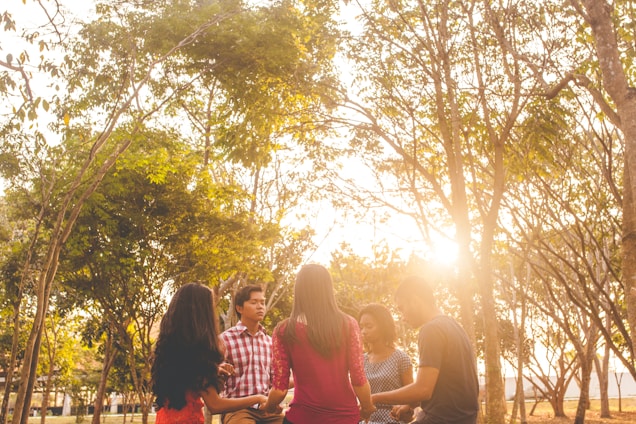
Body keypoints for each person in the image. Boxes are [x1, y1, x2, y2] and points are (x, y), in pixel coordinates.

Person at [262, 264, 376, 423]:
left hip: (301, 418)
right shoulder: (348, 324)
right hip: (344, 417)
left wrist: (269, 406)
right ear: (328, 289)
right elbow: (358, 377)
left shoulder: (284, 330)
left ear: (299, 291)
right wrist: (367, 406)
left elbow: (280, 389)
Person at [151, 283, 267, 424]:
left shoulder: (171, 347)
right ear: (202, 313)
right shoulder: (199, 351)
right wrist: (258, 398)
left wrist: (214, 370)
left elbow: (187, 376)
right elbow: (215, 405)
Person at [371, 276, 479, 424]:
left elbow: (423, 389)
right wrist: (410, 404)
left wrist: (374, 398)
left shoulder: (431, 330)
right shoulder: (453, 326)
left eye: (402, 309)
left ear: (415, 301)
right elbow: (444, 386)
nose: (403, 317)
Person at [219, 284, 284, 424]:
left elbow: (275, 380)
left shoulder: (270, 342)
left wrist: (273, 402)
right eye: (254, 302)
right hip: (238, 410)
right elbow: (213, 374)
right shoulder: (224, 339)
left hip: (266, 409)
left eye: (262, 302)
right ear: (239, 308)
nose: (260, 306)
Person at [358, 303, 414, 423]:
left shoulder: (401, 358)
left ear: (383, 327)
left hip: (392, 419)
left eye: (369, 326)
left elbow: (413, 398)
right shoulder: (361, 360)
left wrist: (405, 407)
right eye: (361, 327)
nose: (363, 331)